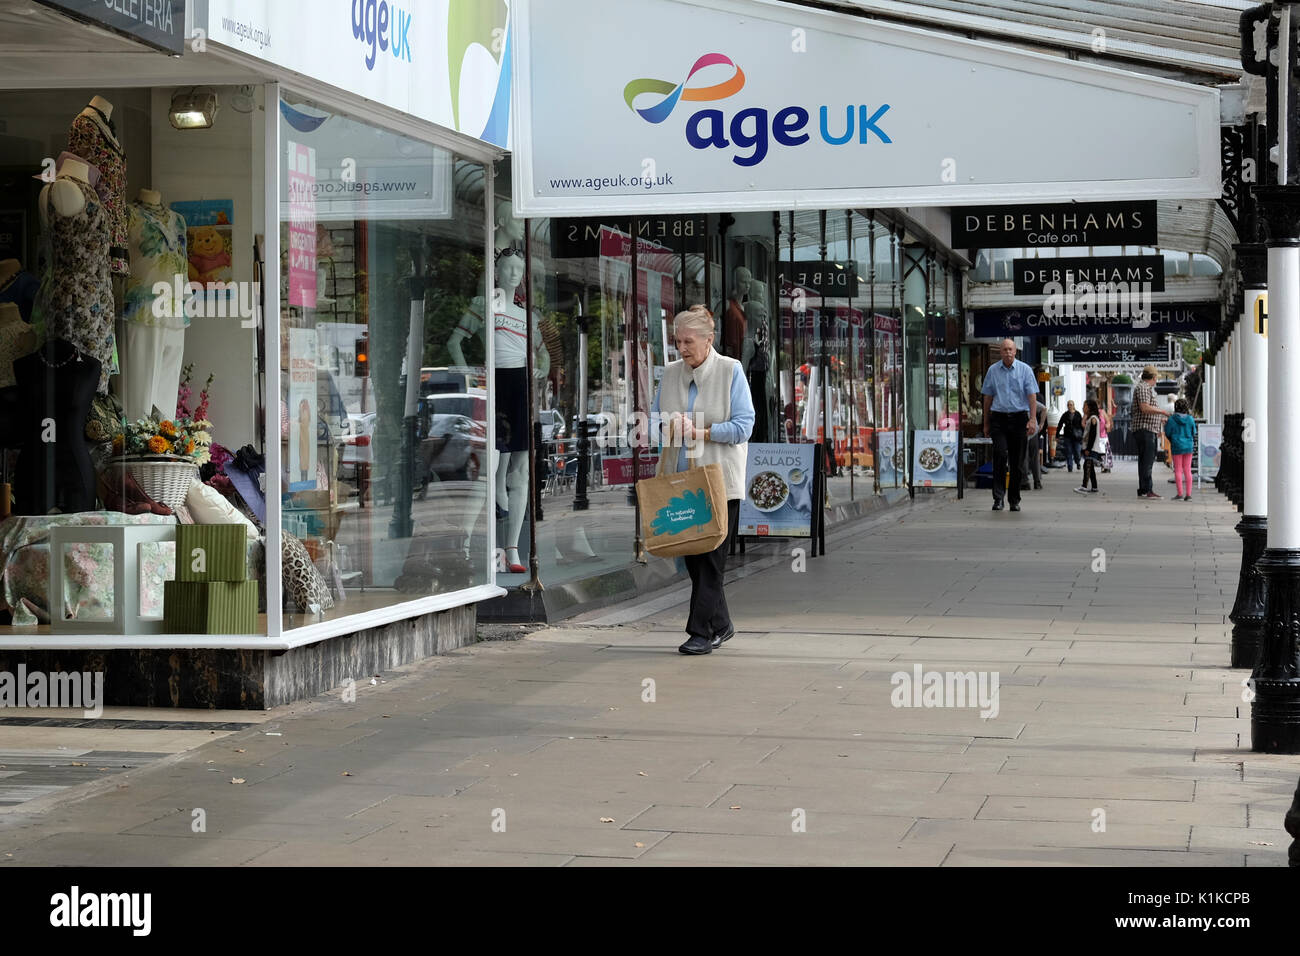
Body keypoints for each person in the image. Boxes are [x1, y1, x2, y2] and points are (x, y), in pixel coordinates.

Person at [651, 305, 755, 655]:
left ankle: (699, 632)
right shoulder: (669, 374)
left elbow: (744, 426)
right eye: (678, 341)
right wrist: (667, 426)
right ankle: (721, 624)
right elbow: (652, 423)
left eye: (688, 341)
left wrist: (701, 432)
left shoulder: (731, 371)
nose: (682, 348)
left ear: (709, 340)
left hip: (719, 484)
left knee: (711, 559)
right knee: (693, 560)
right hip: (680, 483)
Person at [981, 338, 1038, 513]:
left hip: (1019, 418)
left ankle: (1014, 499)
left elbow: (1032, 397)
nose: (1007, 352)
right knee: (999, 454)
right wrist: (986, 423)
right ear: (1000, 352)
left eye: (1010, 349)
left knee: (1017, 462)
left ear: (1015, 351)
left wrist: (1032, 419)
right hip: (999, 419)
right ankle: (998, 498)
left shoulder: (1025, 370)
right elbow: (988, 398)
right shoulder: (993, 370)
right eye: (1004, 349)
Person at [1133, 365, 1171, 498]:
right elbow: (1144, 407)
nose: (1156, 381)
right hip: (1146, 430)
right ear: (1153, 377)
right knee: (1148, 461)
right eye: (1156, 378)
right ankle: (1147, 489)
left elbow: (1146, 410)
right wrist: (1162, 412)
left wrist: (1159, 419)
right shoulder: (1143, 388)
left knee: (1144, 461)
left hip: (1148, 428)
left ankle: (1143, 489)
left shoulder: (1144, 388)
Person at [1164, 398, 1198, 501]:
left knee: (1178, 470)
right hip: (1188, 446)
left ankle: (1179, 494)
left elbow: (1167, 432)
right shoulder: (1190, 419)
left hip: (1177, 446)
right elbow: (1194, 432)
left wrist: (1173, 439)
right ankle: (1188, 494)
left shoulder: (1172, 419)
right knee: (1187, 470)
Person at [1074, 399, 1103, 495]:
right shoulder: (1090, 418)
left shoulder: (1093, 418)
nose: (1083, 408)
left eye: (1085, 406)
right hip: (1089, 447)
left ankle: (1084, 486)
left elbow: (1092, 434)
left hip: (1091, 448)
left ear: (1090, 408)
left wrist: (1088, 449)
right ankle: (1094, 487)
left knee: (1087, 466)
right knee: (1090, 468)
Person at [1023, 397, 1047, 490]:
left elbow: (1044, 409)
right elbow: (1044, 409)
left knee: (1024, 457)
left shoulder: (1022, 400)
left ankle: (1025, 482)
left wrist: (1041, 423)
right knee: (1034, 457)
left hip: (1025, 432)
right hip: (1033, 431)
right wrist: (1041, 423)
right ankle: (1037, 482)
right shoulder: (1030, 400)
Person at [1057, 400, 1084, 472]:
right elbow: (1060, 424)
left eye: (1071, 405)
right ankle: (1070, 466)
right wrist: (1057, 435)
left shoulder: (1078, 414)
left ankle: (1078, 462)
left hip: (1077, 437)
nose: (1070, 406)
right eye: (1068, 405)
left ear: (1073, 405)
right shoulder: (1065, 415)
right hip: (1068, 436)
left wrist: (1083, 435)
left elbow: (1082, 425)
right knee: (1068, 451)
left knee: (1077, 452)